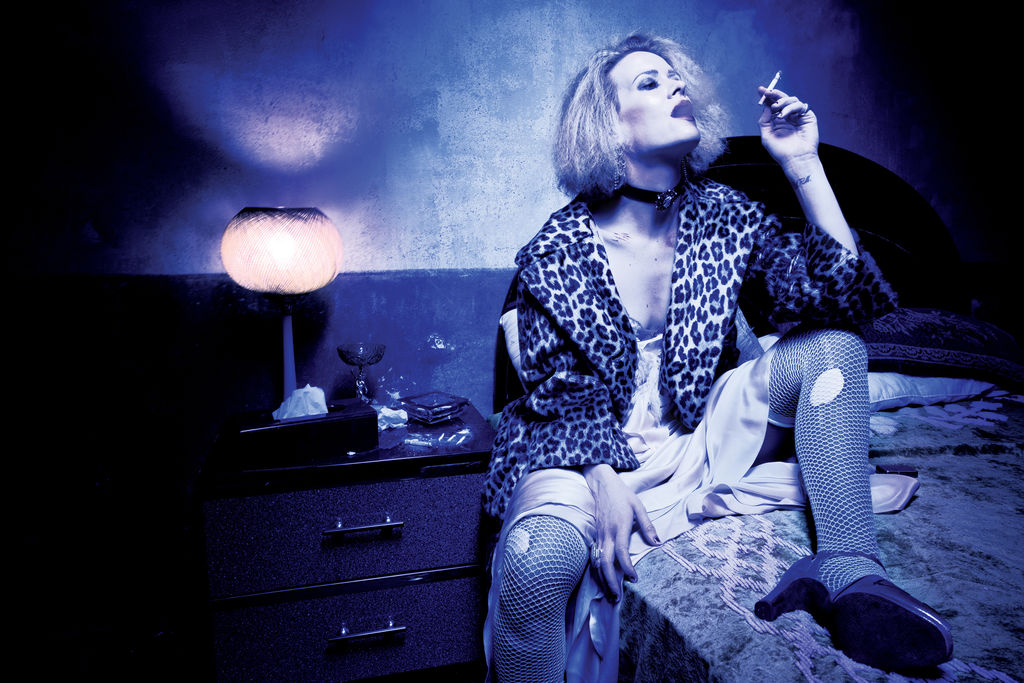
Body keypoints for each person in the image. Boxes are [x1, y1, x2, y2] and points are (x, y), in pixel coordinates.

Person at [482, 33, 953, 682]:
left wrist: (803, 164)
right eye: (649, 82)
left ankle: (849, 570)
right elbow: (563, 400)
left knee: (834, 348)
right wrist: (604, 481)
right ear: (608, 125)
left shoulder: (727, 217)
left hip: (697, 433)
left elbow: (845, 302)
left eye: (674, 76)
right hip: (583, 448)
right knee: (536, 564)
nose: (676, 84)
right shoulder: (559, 245)